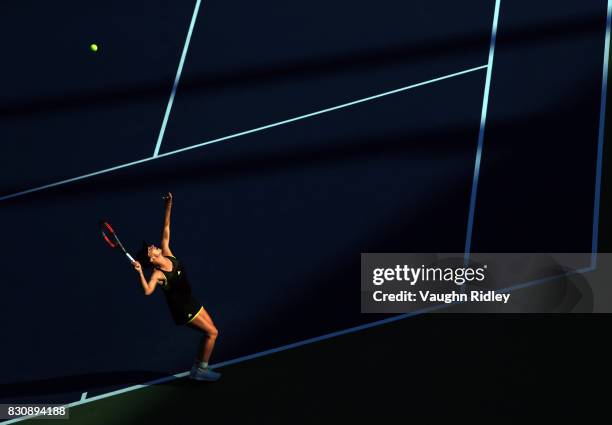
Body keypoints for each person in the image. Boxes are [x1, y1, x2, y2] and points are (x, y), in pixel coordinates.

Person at [131, 192, 221, 382]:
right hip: (183, 310)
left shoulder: (166, 251)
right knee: (212, 333)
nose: (153, 246)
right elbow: (147, 291)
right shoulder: (158, 274)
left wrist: (169, 205)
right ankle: (201, 371)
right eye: (150, 249)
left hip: (190, 300)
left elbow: (166, 227)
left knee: (211, 331)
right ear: (151, 258)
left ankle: (198, 367)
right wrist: (139, 272)